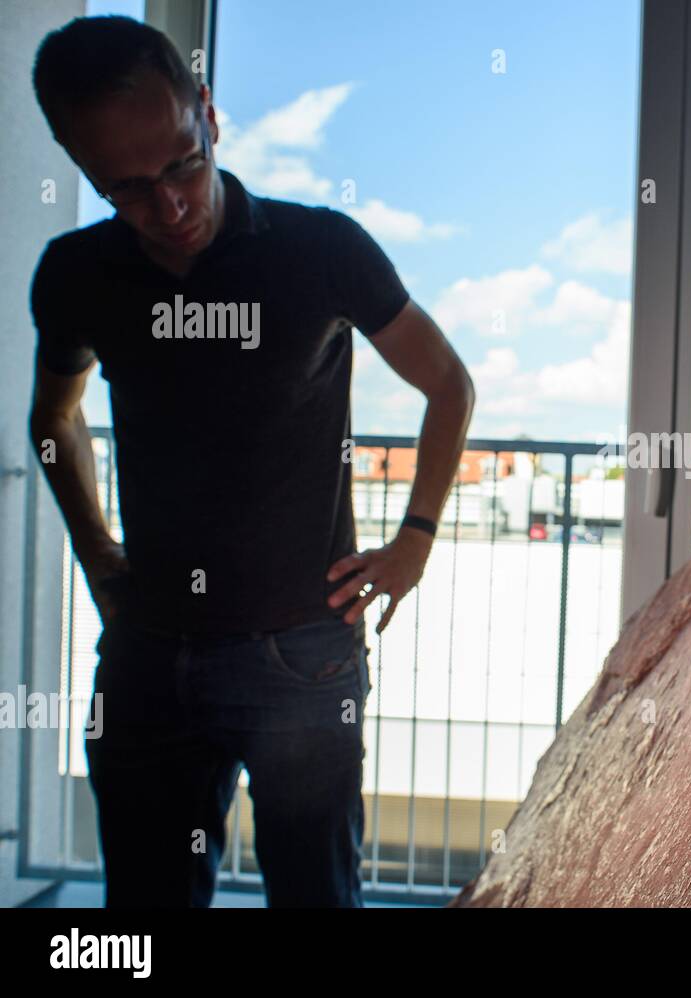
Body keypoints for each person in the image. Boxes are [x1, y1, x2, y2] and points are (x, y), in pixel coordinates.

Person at [27, 15, 475, 907]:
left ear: (209, 114)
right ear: (82, 172)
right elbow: (54, 419)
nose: (170, 207)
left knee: (316, 899)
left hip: (303, 656)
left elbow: (448, 383)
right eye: (128, 190)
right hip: (150, 652)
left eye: (183, 165)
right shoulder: (76, 274)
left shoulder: (319, 249)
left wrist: (416, 538)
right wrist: (96, 554)